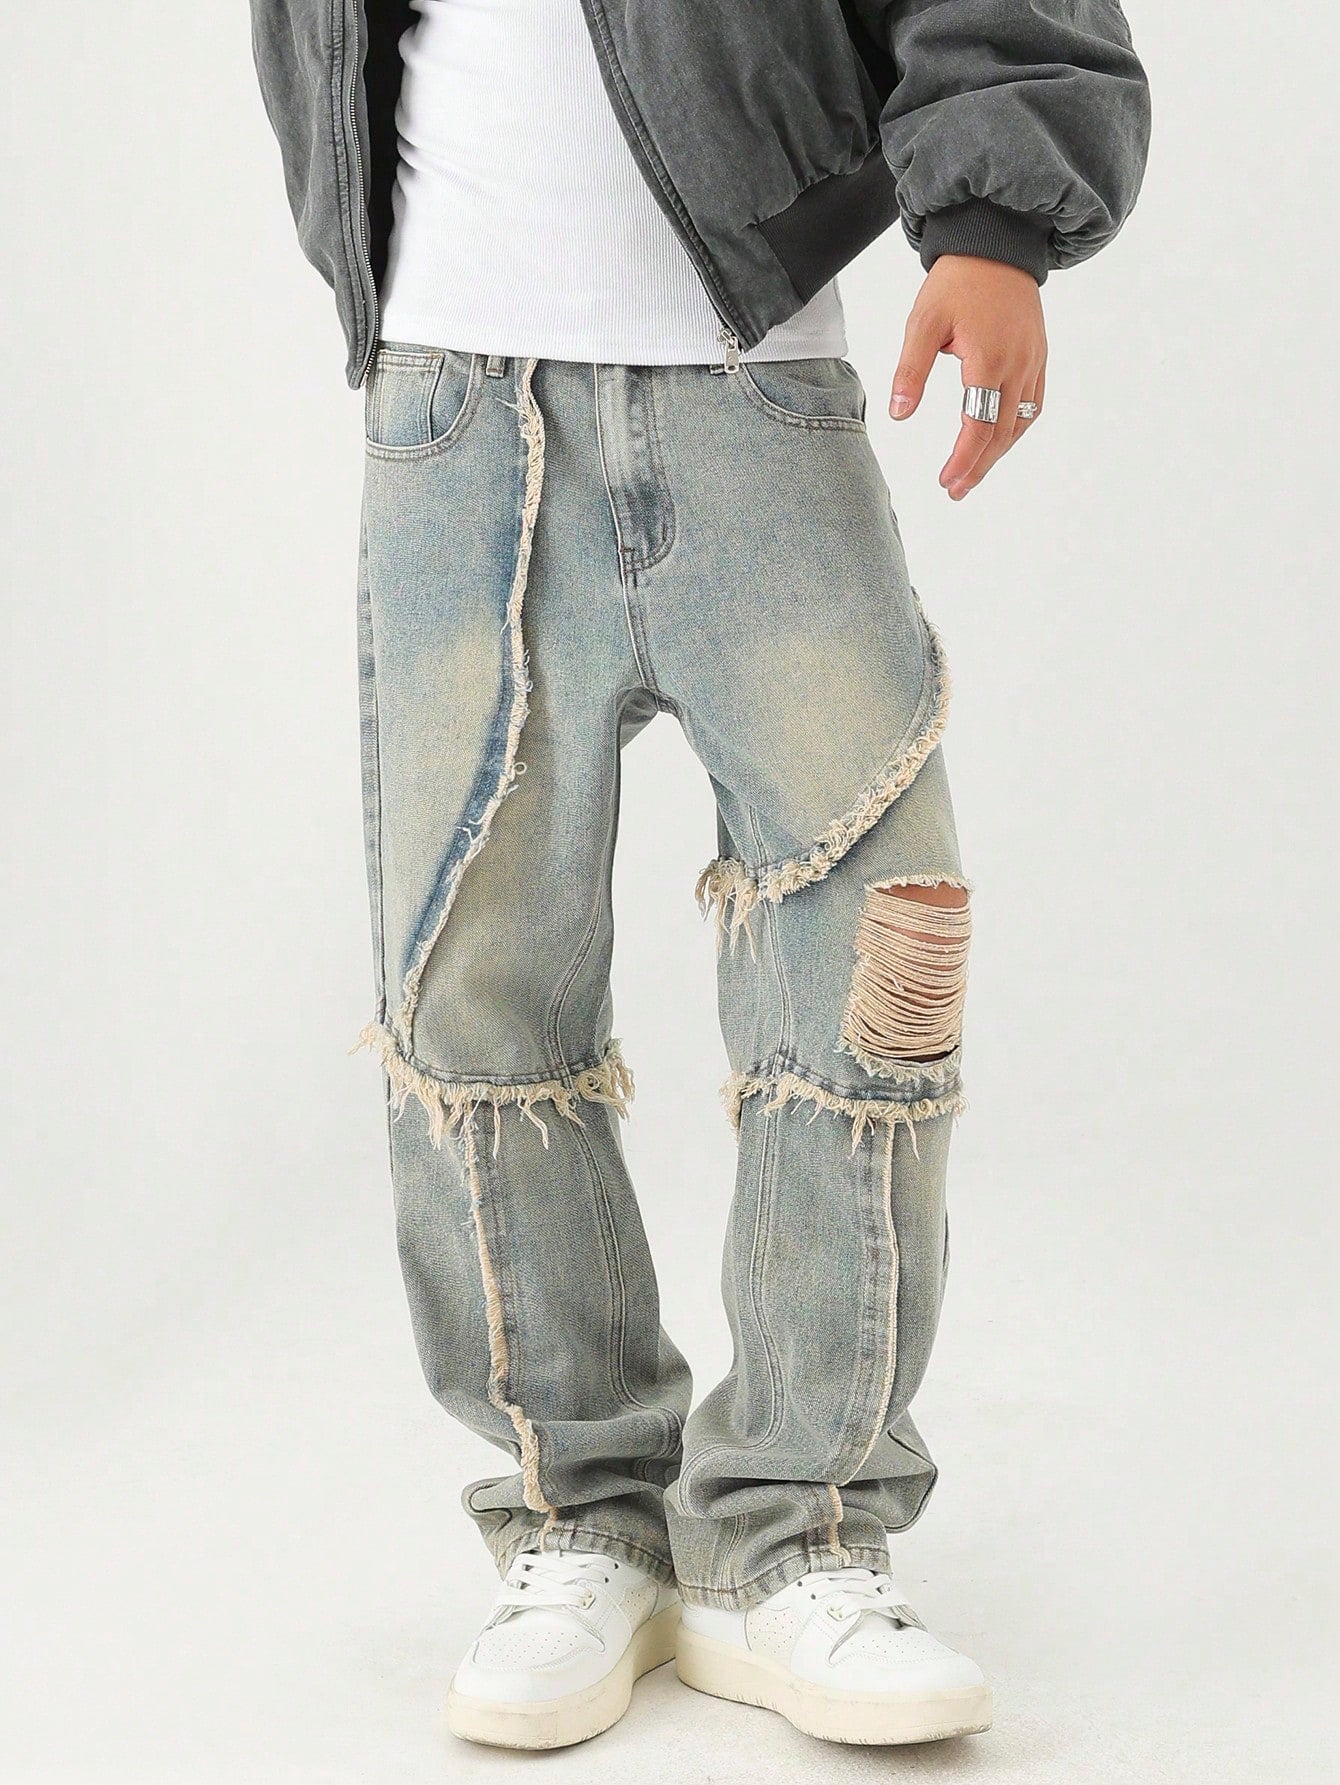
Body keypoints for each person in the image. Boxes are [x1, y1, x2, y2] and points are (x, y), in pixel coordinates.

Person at [250, 0, 1149, 1752]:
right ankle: (577, 1512)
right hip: (448, 408)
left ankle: (799, 1525)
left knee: (880, 947)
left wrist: (994, 214)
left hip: (756, 388)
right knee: (470, 989)